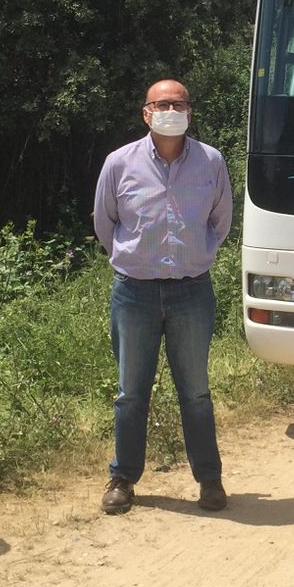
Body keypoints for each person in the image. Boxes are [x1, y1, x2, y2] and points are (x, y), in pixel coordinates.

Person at [93, 79, 234, 515]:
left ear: (190, 110)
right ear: (146, 112)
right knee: (130, 393)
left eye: (179, 103)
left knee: (195, 392)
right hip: (133, 293)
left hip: (192, 291)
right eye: (162, 103)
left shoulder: (211, 162)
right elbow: (105, 222)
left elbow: (221, 221)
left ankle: (209, 480)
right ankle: (123, 478)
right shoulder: (119, 163)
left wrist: (195, 257)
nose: (171, 109)